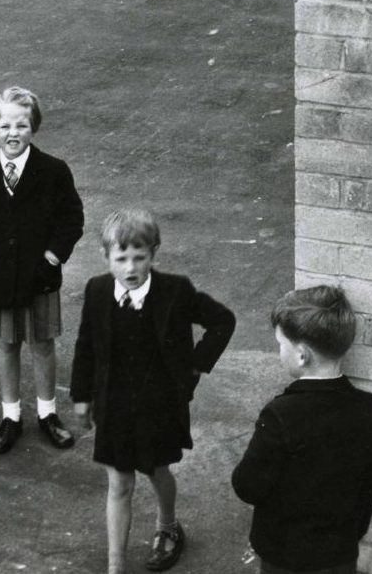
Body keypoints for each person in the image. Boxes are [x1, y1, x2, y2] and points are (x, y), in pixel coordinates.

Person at [71, 208, 235, 574]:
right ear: (105, 257)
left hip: (158, 404)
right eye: (121, 258)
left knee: (156, 469)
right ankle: (116, 565)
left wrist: (194, 366)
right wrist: (81, 396)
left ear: (154, 253)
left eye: (139, 258)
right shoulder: (98, 290)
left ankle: (167, 526)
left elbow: (223, 320)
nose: (130, 268)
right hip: (113, 402)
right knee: (119, 482)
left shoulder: (175, 291)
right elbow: (86, 344)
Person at [0, 86, 84, 455]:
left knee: (43, 343)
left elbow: (71, 218)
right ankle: (10, 416)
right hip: (0, 277)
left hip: (40, 277)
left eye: (22, 125)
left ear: (34, 128)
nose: (13, 133)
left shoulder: (53, 171)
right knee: (7, 343)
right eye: (4, 126)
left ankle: (48, 413)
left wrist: (51, 258)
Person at [231, 285, 372, 574]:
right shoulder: (371, 408)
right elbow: (370, 482)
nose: (279, 350)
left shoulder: (280, 415)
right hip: (340, 554)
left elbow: (247, 486)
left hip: (284, 557)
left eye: (281, 344)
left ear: (302, 355)